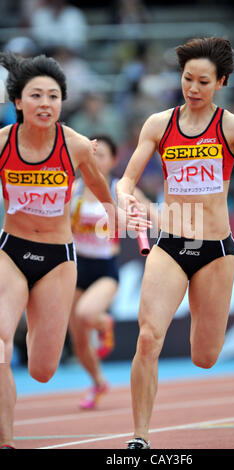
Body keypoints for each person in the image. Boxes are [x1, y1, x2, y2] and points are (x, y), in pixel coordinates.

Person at [116, 37, 234, 449]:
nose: (192, 88)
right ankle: (140, 438)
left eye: (202, 81)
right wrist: (125, 196)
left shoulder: (233, 127)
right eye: (186, 79)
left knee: (205, 357)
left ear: (221, 82)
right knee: (149, 338)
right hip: (171, 244)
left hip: (216, 251)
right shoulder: (158, 124)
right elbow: (126, 179)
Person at [0, 52, 149, 450]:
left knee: (43, 370)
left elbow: (103, 190)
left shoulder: (78, 146)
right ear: (17, 101)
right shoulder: (2, 144)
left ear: (62, 102)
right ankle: (7, 440)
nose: (45, 104)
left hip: (57, 261)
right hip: (11, 252)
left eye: (53, 96)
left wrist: (120, 216)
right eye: (36, 96)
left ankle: (35, 328)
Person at [69, 134, 158, 410]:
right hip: (75, 267)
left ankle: (102, 322)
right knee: (79, 342)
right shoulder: (72, 189)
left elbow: (152, 215)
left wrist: (140, 210)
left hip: (105, 268)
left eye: (102, 156)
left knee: (86, 313)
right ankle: (97, 382)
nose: (95, 160)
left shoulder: (120, 188)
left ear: (114, 160)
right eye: (92, 155)